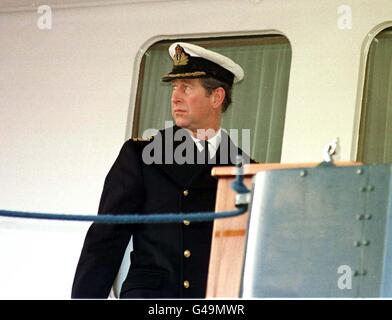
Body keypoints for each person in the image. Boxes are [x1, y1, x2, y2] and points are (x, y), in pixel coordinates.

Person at [71, 42, 252, 298]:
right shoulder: (142, 155)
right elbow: (106, 239)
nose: (175, 96)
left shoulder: (246, 168)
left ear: (217, 97)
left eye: (186, 87)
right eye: (174, 87)